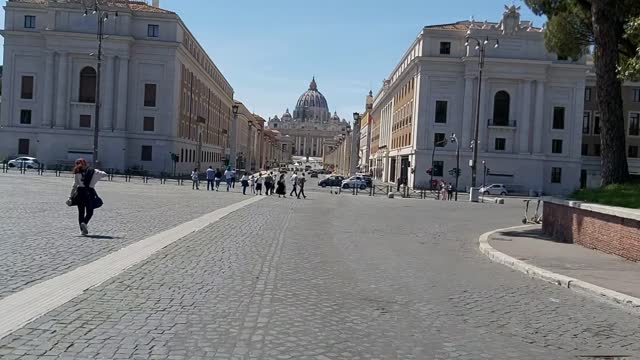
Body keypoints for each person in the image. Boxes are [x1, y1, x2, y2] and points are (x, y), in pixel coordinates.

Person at [67, 158, 106, 236]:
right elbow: (104, 174)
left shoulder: (77, 173)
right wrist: (97, 170)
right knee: (90, 211)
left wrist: (70, 197)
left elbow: (75, 185)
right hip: (89, 192)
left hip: (80, 192)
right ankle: (84, 222)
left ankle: (82, 230)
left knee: (81, 212)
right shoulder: (93, 171)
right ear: (86, 164)